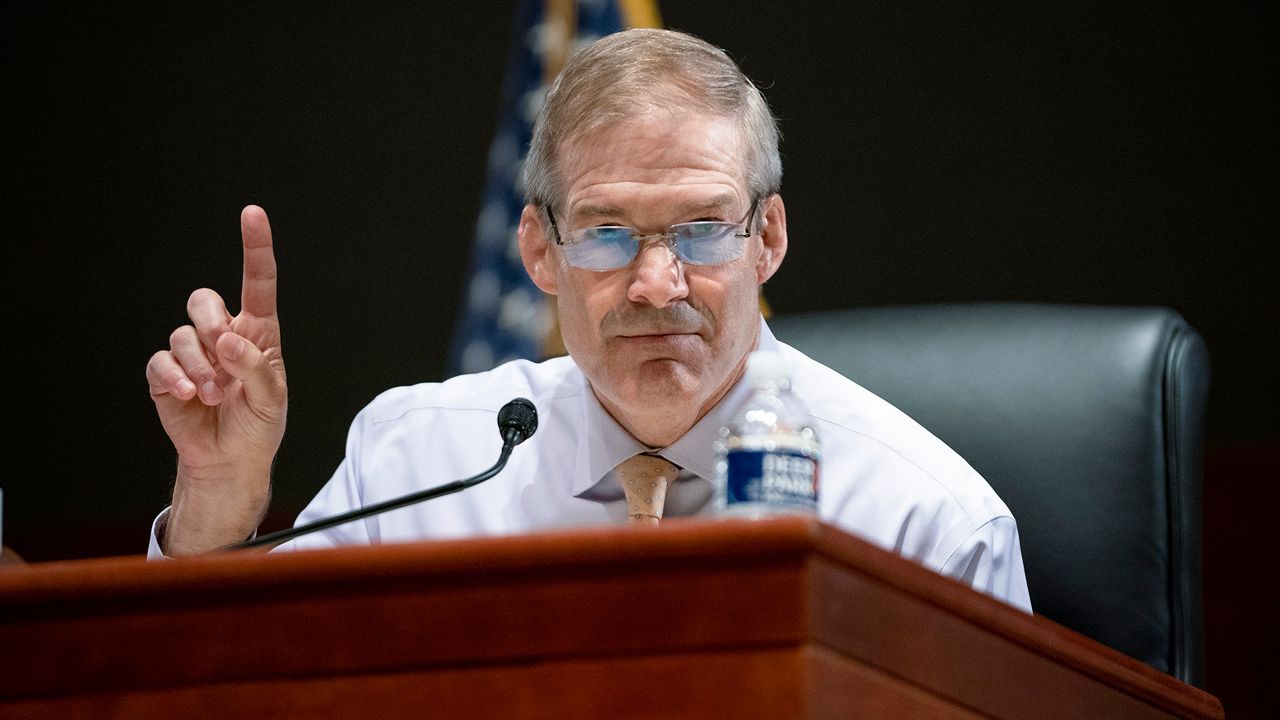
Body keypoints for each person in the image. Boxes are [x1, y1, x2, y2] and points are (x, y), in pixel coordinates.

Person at [144, 28, 1032, 612]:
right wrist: (217, 503)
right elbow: (231, 690)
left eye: (702, 230)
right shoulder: (412, 462)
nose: (656, 282)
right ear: (539, 250)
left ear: (767, 237)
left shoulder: (928, 525)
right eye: (608, 233)